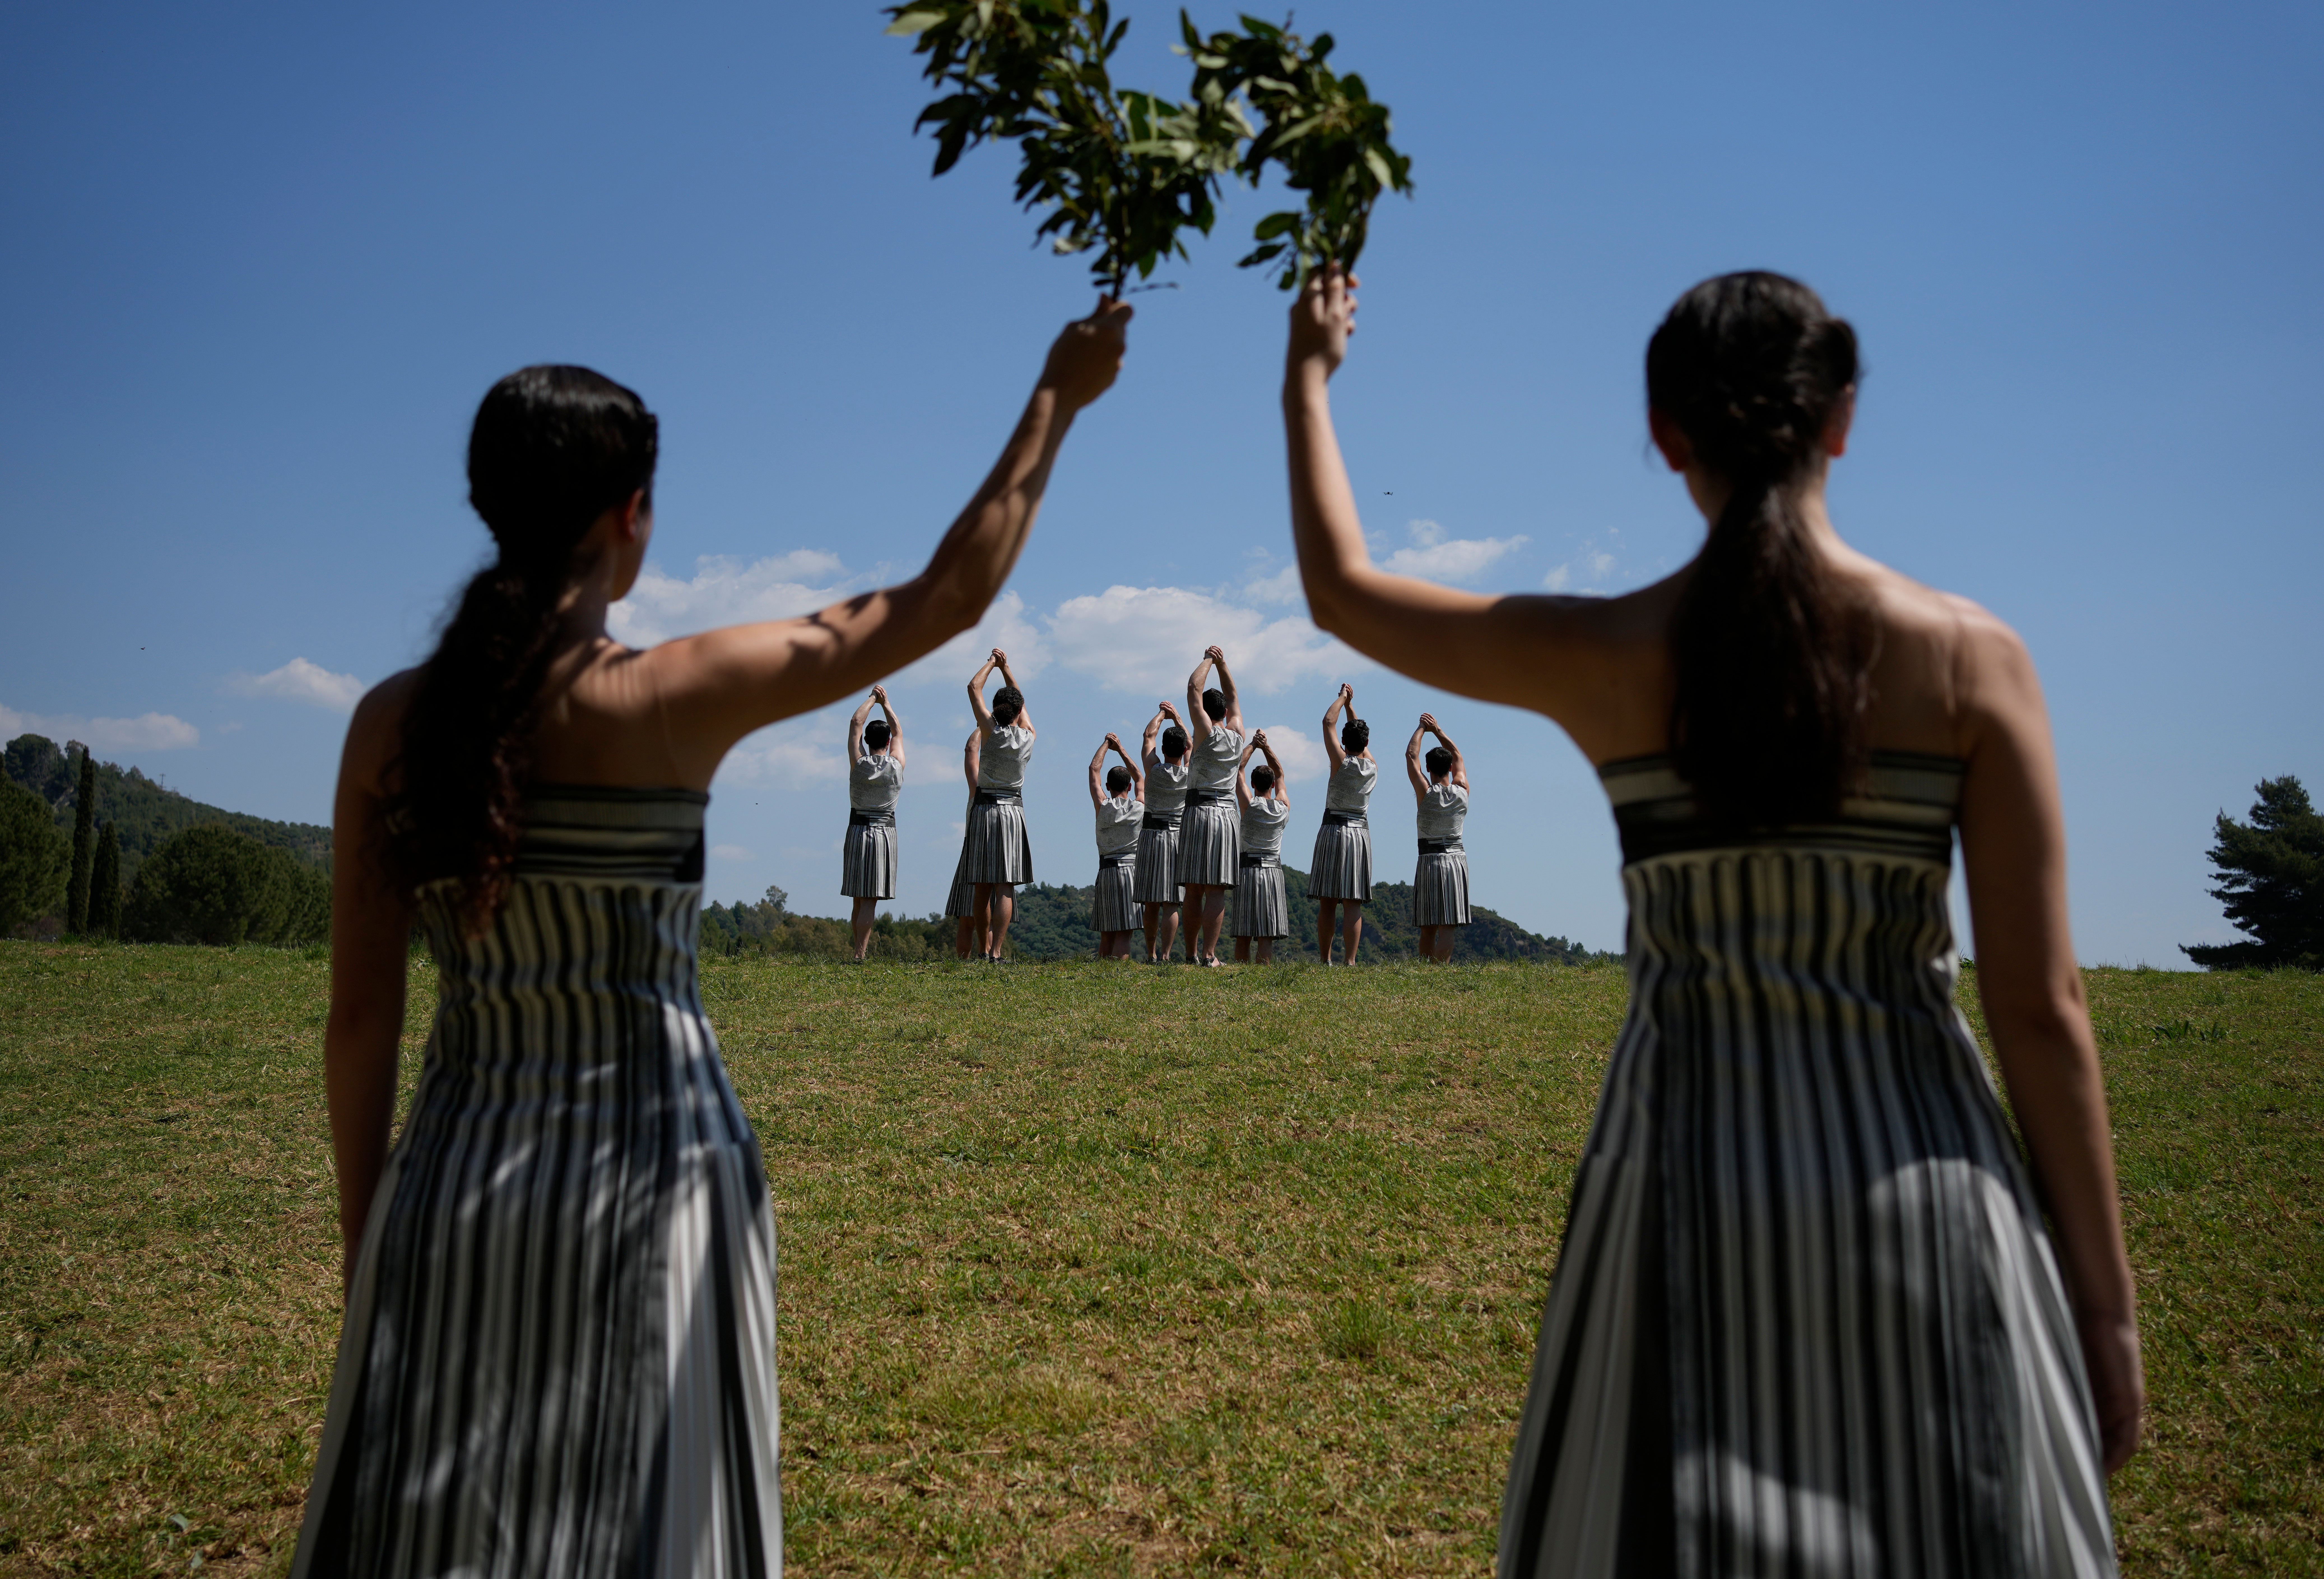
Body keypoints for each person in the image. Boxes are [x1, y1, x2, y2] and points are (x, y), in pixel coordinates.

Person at [1282, 266, 2138, 1575]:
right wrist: (2105, 1314)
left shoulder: (1607, 651)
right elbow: (2039, 1008)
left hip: (1676, 1197)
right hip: (1928, 1198)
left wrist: (1309, 369)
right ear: (1840, 416)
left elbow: (1342, 589)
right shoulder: (1973, 660)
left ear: (1666, 434)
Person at [301, 300, 1130, 1576]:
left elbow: (361, 1022)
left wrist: (374, 1238)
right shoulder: (668, 697)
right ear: (630, 513)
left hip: (457, 1183)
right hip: (659, 1180)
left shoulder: (388, 725)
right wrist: (1054, 399)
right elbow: (944, 598)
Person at [1175, 646, 1246, 967]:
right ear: (1227, 713)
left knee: (1194, 887)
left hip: (1198, 810)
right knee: (1216, 888)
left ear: (1205, 712)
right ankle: (1209, 956)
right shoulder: (1238, 734)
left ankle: (1191, 954)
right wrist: (1224, 664)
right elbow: (1232, 696)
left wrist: (1208, 659)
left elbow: (1193, 688)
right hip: (1226, 813)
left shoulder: (1203, 732)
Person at [964, 648, 1036, 962]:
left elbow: (972, 688)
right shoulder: (1028, 736)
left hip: (983, 809)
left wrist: (993, 664)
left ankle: (982, 949)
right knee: (1006, 885)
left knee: (982, 884)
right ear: (1018, 713)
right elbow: (1022, 704)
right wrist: (1008, 669)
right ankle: (997, 951)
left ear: (994, 712)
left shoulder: (989, 733)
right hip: (1012, 811)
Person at [1309, 683, 1376, 964]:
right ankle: (1350, 961)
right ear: (1366, 744)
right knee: (1353, 902)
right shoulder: (1371, 766)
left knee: (1328, 900)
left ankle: (1326, 959)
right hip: (1359, 833)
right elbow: (1357, 739)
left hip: (1334, 829)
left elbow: (1327, 722)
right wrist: (1351, 707)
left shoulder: (1340, 762)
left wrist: (1342, 698)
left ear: (1344, 744)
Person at [841, 685, 903, 961]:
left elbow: (856, 722)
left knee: (858, 897)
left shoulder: (859, 764)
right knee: (869, 899)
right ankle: (860, 954)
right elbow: (898, 731)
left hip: (856, 830)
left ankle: (858, 951)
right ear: (888, 742)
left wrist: (872, 699)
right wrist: (887, 703)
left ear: (866, 740)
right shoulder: (897, 765)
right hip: (884, 833)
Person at [1405, 712, 1470, 963]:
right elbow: (1460, 757)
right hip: (1456, 859)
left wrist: (1422, 728)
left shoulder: (1426, 792)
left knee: (1428, 925)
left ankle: (1426, 971)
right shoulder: (1463, 790)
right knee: (1447, 927)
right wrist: (1439, 730)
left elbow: (1412, 756)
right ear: (1451, 768)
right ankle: (1440, 971)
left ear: (1428, 768)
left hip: (1429, 859)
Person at [1135, 701, 1191, 961]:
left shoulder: (1154, 771)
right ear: (1184, 751)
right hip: (1177, 836)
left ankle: (1151, 954)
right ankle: (1167, 955)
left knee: (1151, 899)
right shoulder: (1190, 775)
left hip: (1151, 834)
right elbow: (1190, 744)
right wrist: (1178, 717)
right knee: (1171, 900)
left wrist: (1161, 714)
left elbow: (1148, 736)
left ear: (1164, 749)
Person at [1230, 731, 1291, 963]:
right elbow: (1282, 773)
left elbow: (1237, 770)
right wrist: (1267, 748)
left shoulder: (1249, 805)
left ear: (1253, 784)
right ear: (1273, 785)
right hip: (1273, 872)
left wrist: (1253, 745)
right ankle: (1262, 976)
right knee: (1266, 933)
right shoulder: (1283, 807)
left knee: (1244, 933)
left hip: (1247, 870)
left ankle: (1241, 974)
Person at [1087, 732, 1144, 959]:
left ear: (1108, 786)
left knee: (1107, 933)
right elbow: (1140, 777)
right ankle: (1119, 976)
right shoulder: (1139, 808)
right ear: (1129, 787)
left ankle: (1103, 975)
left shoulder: (1103, 807)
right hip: (1131, 871)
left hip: (1107, 871)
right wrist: (1120, 749)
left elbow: (1094, 771)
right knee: (1124, 933)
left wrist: (1106, 744)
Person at [942, 726, 982, 960]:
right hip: (998, 851)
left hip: (972, 852)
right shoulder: (1008, 786)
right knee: (990, 921)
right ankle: (990, 957)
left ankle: (963, 964)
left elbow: (970, 750)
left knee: (967, 920)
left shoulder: (978, 788)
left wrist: (983, 725)